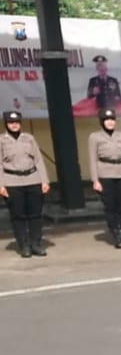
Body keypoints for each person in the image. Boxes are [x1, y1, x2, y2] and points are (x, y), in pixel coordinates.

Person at [87, 107, 121, 249]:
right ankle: (116, 234)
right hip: (105, 174)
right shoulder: (95, 137)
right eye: (106, 120)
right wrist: (95, 180)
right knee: (111, 206)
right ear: (102, 122)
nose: (110, 123)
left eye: (112, 120)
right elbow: (92, 159)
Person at [0, 110, 50, 258]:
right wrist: (1, 185)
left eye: (16, 122)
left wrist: (44, 180)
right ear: (6, 124)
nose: (14, 125)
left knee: (35, 214)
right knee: (18, 215)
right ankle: (24, 245)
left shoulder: (29, 138)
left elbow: (38, 160)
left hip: (33, 179)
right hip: (12, 182)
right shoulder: (2, 140)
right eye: (11, 123)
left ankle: (36, 244)